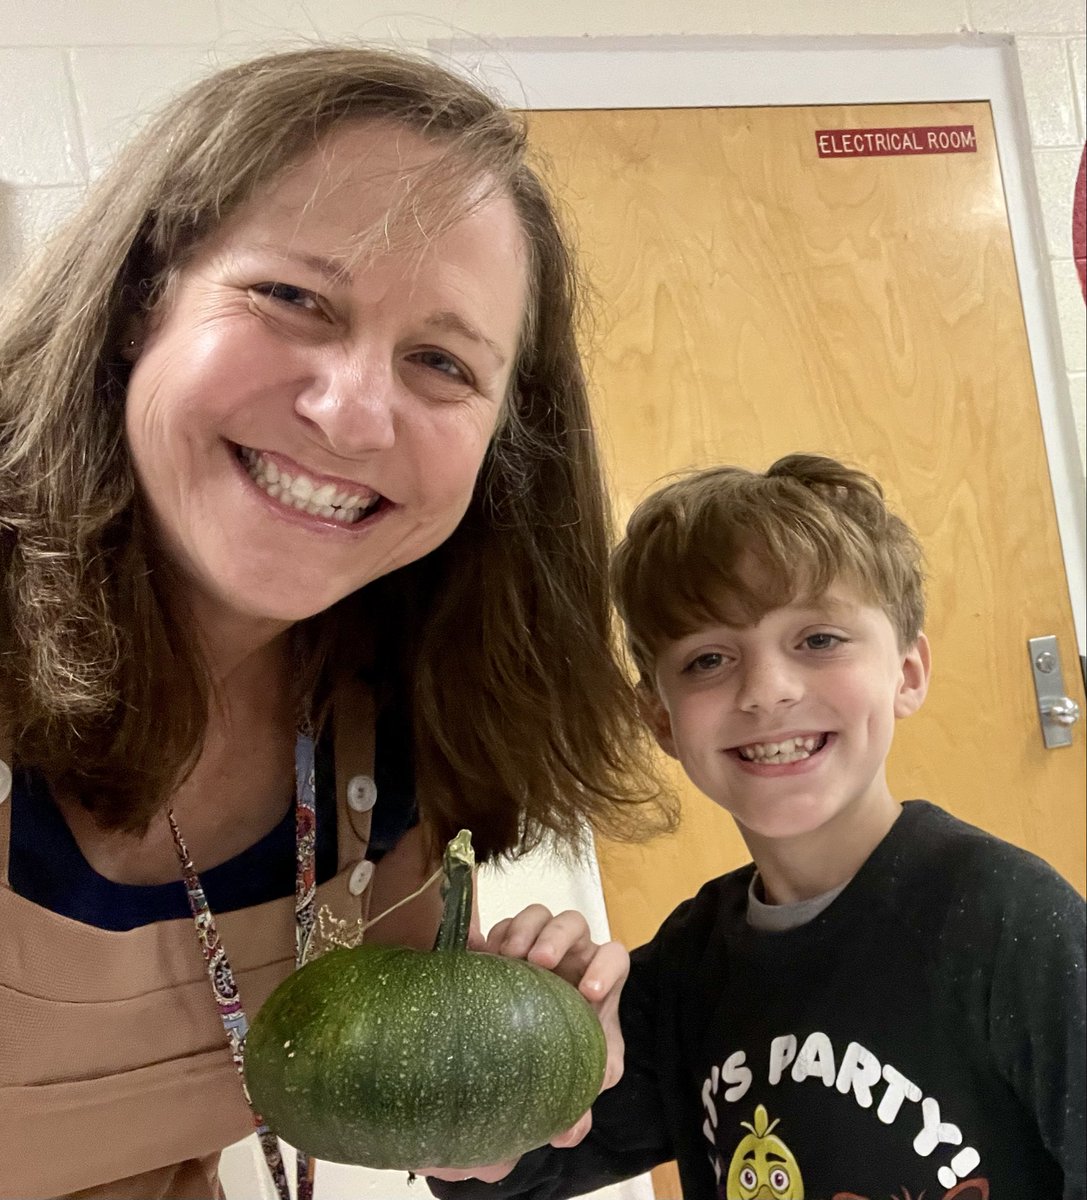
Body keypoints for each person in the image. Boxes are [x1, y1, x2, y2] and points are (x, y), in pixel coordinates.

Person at [0, 45, 669, 1200]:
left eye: (442, 363)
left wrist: (509, 1074)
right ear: (136, 304)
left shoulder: (393, 724)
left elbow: (395, 1116)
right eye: (293, 298)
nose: (354, 415)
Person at [425, 454, 1087, 1199]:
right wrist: (524, 1050)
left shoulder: (1011, 922)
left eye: (818, 640)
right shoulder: (688, 970)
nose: (767, 690)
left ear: (906, 672)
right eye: (708, 659)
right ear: (661, 721)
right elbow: (492, 1175)